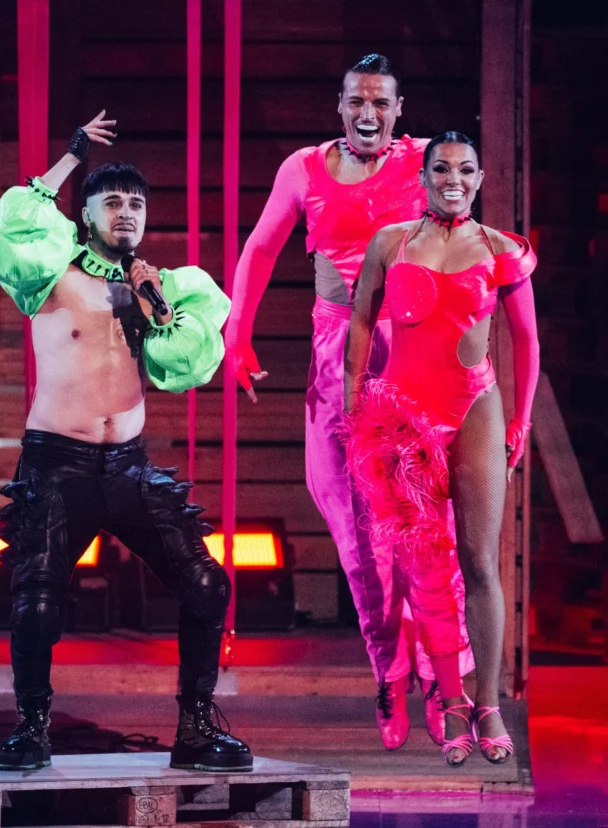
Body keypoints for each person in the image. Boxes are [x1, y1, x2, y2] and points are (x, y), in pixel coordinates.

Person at [0, 112, 252, 773]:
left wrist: (154, 304)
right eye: (113, 202)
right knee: (38, 600)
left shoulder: (161, 287)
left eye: (135, 204)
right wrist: (70, 160)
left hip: (128, 467)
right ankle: (31, 727)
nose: (126, 212)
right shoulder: (51, 273)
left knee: (207, 585)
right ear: (86, 213)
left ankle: (195, 730)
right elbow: (9, 227)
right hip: (58, 464)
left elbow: (183, 365)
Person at [224, 54, 473, 749]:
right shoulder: (304, 169)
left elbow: (469, 246)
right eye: (357, 101)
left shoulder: (426, 162)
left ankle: (441, 678)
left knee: (427, 525)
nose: (369, 114)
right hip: (340, 359)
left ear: (399, 110)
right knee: (356, 532)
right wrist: (237, 335)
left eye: (381, 103)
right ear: (339, 107)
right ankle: (389, 672)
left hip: (413, 352)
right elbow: (260, 249)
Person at [343, 131, 538, 766]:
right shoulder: (390, 243)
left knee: (479, 562)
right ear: (424, 176)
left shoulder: (501, 249)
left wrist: (521, 421)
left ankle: (489, 702)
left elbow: (527, 341)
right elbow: (361, 319)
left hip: (475, 408)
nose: (454, 178)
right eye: (443, 168)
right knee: (426, 570)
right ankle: (450, 700)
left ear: (479, 179)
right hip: (405, 420)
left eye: (466, 169)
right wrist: (353, 401)